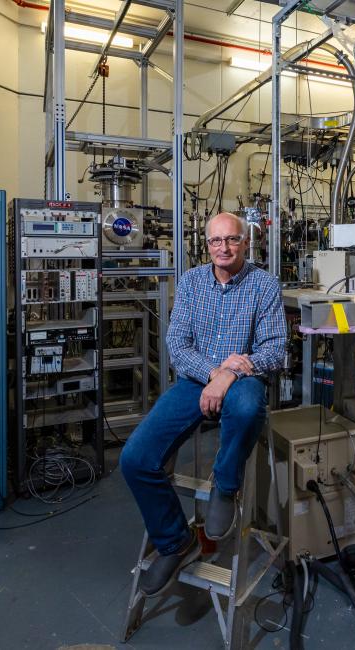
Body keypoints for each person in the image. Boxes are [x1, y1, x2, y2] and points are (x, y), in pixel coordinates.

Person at [119, 212, 286, 596]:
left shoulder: (264, 285)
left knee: (246, 409)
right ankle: (176, 542)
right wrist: (214, 373)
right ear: (206, 244)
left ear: (246, 242)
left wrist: (230, 375)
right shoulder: (192, 282)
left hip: (244, 380)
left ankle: (225, 486)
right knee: (135, 459)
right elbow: (177, 347)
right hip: (196, 379)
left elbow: (275, 351)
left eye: (231, 240)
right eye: (216, 241)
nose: (223, 248)